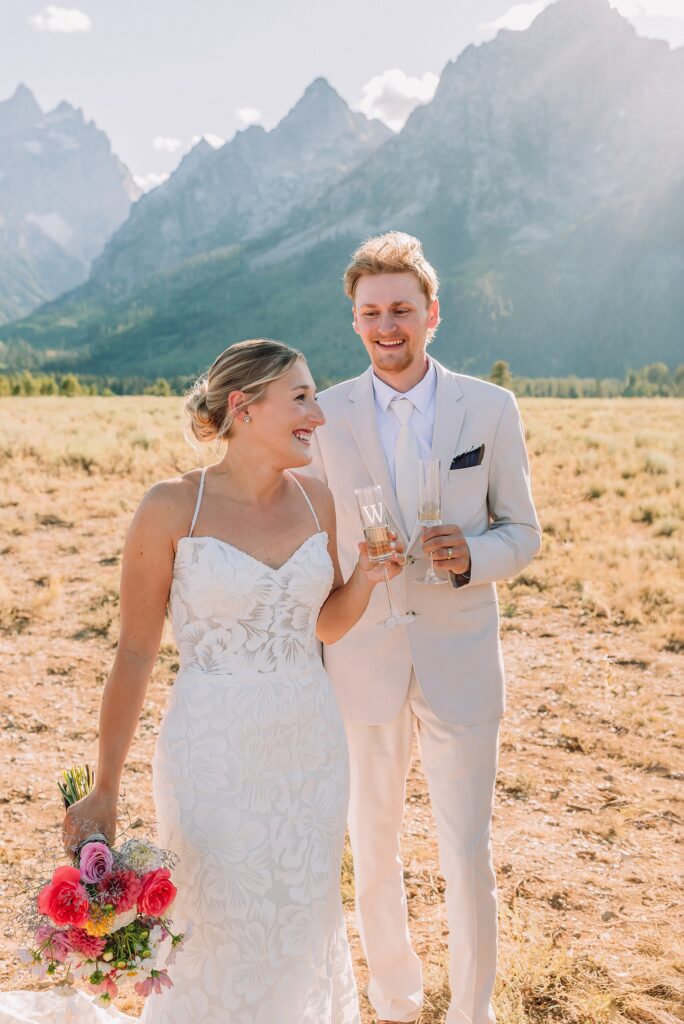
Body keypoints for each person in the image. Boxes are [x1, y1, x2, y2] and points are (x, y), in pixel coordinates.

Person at [0, 339, 404, 1024]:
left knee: (300, 912)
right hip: (213, 753)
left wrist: (365, 578)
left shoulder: (320, 501)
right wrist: (106, 785)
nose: (318, 415)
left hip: (310, 750)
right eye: (301, 398)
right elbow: (135, 653)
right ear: (243, 407)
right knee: (211, 921)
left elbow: (325, 625)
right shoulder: (171, 507)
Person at [306, 233, 542, 1024]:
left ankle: (471, 1012)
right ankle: (395, 1002)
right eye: (371, 312)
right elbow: (311, 538)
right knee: (372, 847)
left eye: (401, 309)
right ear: (354, 320)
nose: (387, 326)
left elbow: (524, 533)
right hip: (361, 659)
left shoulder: (491, 408)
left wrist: (473, 556)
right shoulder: (324, 415)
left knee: (466, 850)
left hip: (460, 656)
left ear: (432, 313)